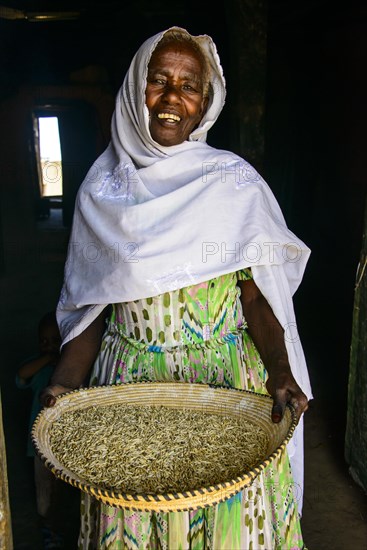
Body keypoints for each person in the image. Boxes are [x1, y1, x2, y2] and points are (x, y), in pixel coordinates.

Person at [41, 26, 313, 549]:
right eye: (158, 81)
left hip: (224, 386)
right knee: (138, 520)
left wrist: (280, 371)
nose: (172, 98)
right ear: (134, 90)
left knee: (227, 524)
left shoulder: (234, 185)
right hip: (128, 389)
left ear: (206, 103)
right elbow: (93, 306)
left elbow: (256, 297)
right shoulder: (102, 191)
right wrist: (64, 385)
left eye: (190, 86)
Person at [16, 311, 64, 549]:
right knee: (44, 489)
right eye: (43, 342)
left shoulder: (71, 369)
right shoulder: (39, 367)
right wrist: (46, 358)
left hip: (65, 443)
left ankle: (62, 524)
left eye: (56, 341)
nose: (49, 347)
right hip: (39, 444)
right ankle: (49, 530)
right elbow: (21, 375)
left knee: (64, 491)